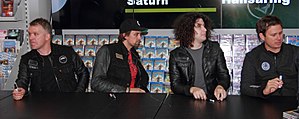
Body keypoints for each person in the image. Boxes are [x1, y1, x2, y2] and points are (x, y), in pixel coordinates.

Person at [13, 18, 90, 100]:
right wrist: (21, 90)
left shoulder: (67, 52)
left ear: (47, 36)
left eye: (35, 34)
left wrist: (77, 94)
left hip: (67, 103)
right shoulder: (27, 59)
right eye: (29, 34)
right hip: (39, 105)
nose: (31, 38)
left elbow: (83, 72)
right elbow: (22, 81)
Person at [169, 13, 231, 101]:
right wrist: (191, 90)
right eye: (199, 26)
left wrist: (221, 86)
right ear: (188, 29)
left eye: (204, 26)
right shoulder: (175, 55)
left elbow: (224, 75)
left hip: (212, 99)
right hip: (187, 101)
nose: (204, 29)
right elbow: (175, 85)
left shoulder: (215, 49)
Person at [241, 15, 299, 97]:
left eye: (280, 33)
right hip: (263, 104)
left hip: (292, 102)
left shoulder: (295, 52)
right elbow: (245, 88)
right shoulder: (252, 57)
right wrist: (263, 91)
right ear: (262, 36)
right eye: (273, 35)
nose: (279, 38)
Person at [91, 19, 149, 93]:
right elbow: (96, 82)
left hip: (132, 101)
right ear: (125, 35)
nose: (139, 38)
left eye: (140, 34)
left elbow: (144, 78)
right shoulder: (108, 50)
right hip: (113, 102)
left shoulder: (134, 54)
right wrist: (126, 90)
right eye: (136, 34)